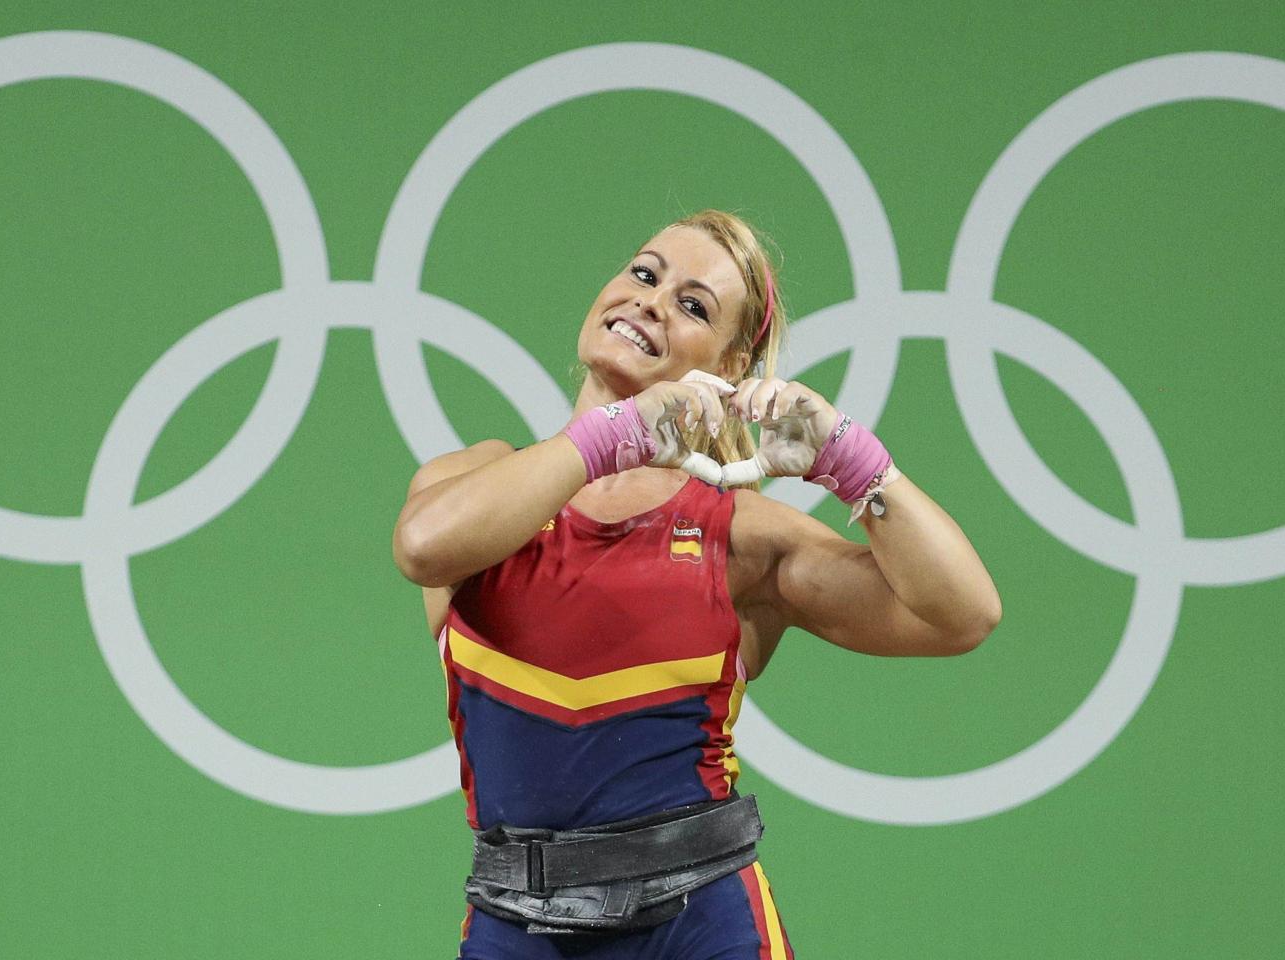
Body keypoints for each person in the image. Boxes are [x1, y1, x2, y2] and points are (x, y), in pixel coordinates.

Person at [393, 210, 1001, 959]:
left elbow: (962, 615)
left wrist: (854, 462)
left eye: (692, 305)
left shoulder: (742, 539)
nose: (649, 300)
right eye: (644, 274)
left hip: (701, 929)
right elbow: (422, 548)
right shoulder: (475, 484)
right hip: (516, 926)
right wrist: (604, 440)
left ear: (732, 366)